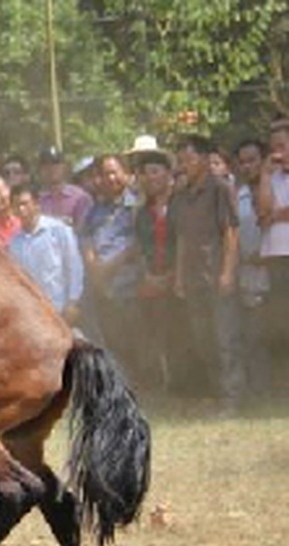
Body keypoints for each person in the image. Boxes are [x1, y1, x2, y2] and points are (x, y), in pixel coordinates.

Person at [171, 134, 242, 413]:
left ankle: (232, 398)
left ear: (203, 158)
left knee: (225, 338)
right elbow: (180, 239)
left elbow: (230, 233)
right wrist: (178, 276)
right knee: (203, 340)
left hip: (215, 274)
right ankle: (216, 395)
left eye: (189, 159)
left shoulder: (220, 188)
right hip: (192, 277)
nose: (184, 165)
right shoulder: (181, 195)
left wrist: (227, 272)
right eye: (181, 160)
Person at [81, 154, 142, 370]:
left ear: (126, 173)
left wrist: (109, 267)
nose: (111, 178)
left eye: (115, 172)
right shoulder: (95, 210)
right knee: (113, 344)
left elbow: (138, 245)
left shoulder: (137, 206)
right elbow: (87, 241)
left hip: (130, 287)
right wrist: (95, 270)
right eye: (106, 174)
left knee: (135, 343)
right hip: (103, 289)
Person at [131, 138, 180, 392]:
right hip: (152, 282)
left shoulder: (182, 204)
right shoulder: (141, 213)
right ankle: (163, 386)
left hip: (181, 280)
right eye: (144, 173)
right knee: (154, 336)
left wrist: (173, 275)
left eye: (155, 172)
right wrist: (150, 277)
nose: (149, 178)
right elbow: (141, 249)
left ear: (168, 174)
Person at [7, 186, 84, 325]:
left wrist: (73, 302)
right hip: (34, 315)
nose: (21, 209)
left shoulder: (58, 230)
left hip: (61, 310)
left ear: (36, 204)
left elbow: (74, 267)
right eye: (16, 205)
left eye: (25, 204)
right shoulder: (15, 243)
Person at [234, 139, 272, 398]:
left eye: (253, 160)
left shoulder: (279, 187)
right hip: (249, 275)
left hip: (277, 271)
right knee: (254, 337)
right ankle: (260, 392)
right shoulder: (238, 194)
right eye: (243, 161)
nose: (247, 166)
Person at [256, 118, 289, 387]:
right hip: (276, 257)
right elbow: (263, 212)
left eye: (282, 145)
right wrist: (265, 176)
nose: (277, 152)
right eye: (273, 147)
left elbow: (273, 214)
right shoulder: (272, 177)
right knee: (281, 322)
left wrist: (276, 214)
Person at [37, 146, 94, 231]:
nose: (52, 168)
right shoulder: (36, 200)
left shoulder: (80, 197)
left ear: (64, 166)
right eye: (46, 164)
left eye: (56, 163)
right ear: (40, 169)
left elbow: (85, 231)